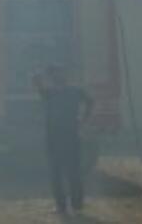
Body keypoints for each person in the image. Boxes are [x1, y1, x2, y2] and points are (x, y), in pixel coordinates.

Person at [32, 64, 94, 216]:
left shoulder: (54, 92)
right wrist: (83, 120)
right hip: (65, 138)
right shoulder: (65, 91)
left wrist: (38, 74)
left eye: (54, 75)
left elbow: (35, 82)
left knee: (62, 174)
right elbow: (90, 102)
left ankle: (68, 207)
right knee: (67, 173)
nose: (55, 78)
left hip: (59, 139)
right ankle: (72, 207)